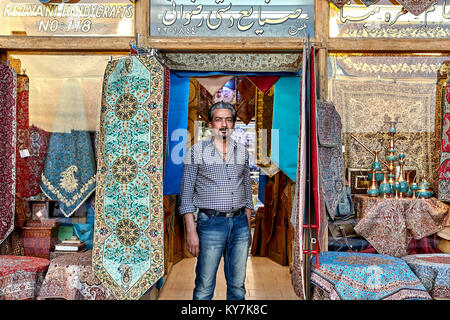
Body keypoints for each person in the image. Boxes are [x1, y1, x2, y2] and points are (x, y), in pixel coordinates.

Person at [179, 101, 254, 300]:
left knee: (238, 287)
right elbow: (186, 196)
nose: (223, 124)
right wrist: (191, 231)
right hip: (210, 225)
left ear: (234, 124)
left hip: (239, 225)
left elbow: (247, 192)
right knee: (204, 286)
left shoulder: (242, 153)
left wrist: (246, 227)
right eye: (218, 119)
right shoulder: (196, 152)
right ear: (210, 124)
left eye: (228, 120)